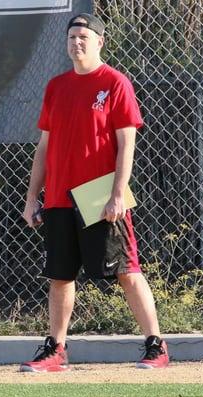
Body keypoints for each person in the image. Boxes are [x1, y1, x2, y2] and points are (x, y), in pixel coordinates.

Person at [20, 13, 169, 372]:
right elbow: (44, 145)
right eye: (72, 37)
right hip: (58, 194)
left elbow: (126, 143)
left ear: (99, 42)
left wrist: (118, 193)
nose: (77, 43)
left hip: (99, 192)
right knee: (60, 276)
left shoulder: (115, 82)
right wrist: (31, 198)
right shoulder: (56, 86)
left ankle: (156, 345)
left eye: (84, 37)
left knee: (126, 270)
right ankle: (56, 350)